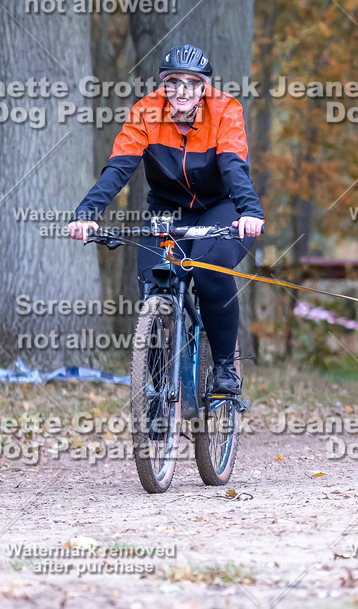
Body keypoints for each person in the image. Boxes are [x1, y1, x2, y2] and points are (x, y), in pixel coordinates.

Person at [67, 44, 264, 395]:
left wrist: (249, 211)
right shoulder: (147, 111)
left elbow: (234, 166)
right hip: (167, 208)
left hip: (221, 206)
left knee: (210, 267)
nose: (183, 90)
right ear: (164, 86)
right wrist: (86, 214)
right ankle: (155, 393)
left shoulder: (225, 110)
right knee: (153, 280)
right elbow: (119, 168)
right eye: (174, 82)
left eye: (193, 82)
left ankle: (223, 370)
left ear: (204, 87)